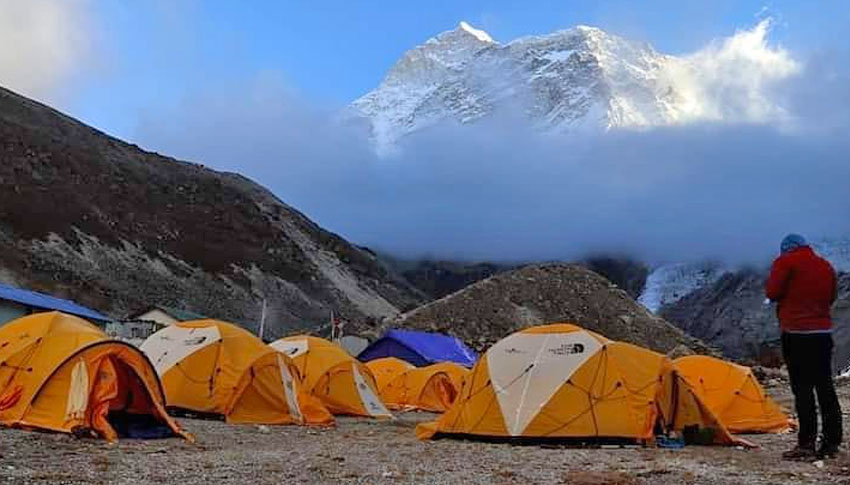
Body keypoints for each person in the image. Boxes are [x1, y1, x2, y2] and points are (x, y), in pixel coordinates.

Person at [766, 233, 842, 460]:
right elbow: (831, 297)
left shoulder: (785, 262)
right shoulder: (825, 265)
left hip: (796, 334)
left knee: (803, 389)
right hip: (822, 334)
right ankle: (831, 442)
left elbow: (772, 292)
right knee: (825, 387)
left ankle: (806, 443)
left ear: (786, 248)